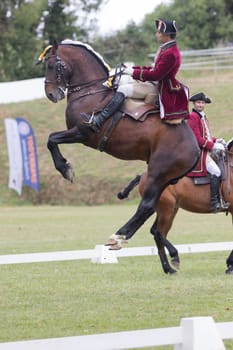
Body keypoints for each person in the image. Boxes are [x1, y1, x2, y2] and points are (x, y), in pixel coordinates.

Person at [82, 18, 189, 132]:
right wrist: (132, 69)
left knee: (124, 89)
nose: (156, 34)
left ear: (167, 35)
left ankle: (99, 121)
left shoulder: (170, 53)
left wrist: (133, 73)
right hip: (154, 82)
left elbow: (156, 75)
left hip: (160, 87)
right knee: (121, 80)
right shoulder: (166, 49)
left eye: (158, 32)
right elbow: (154, 69)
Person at [188, 92, 229, 213]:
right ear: (194, 104)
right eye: (198, 103)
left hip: (206, 149)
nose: (200, 105)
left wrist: (217, 141)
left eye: (202, 103)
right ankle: (214, 202)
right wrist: (213, 146)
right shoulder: (193, 117)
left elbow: (206, 136)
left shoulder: (202, 116)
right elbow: (197, 139)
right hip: (200, 152)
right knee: (216, 171)